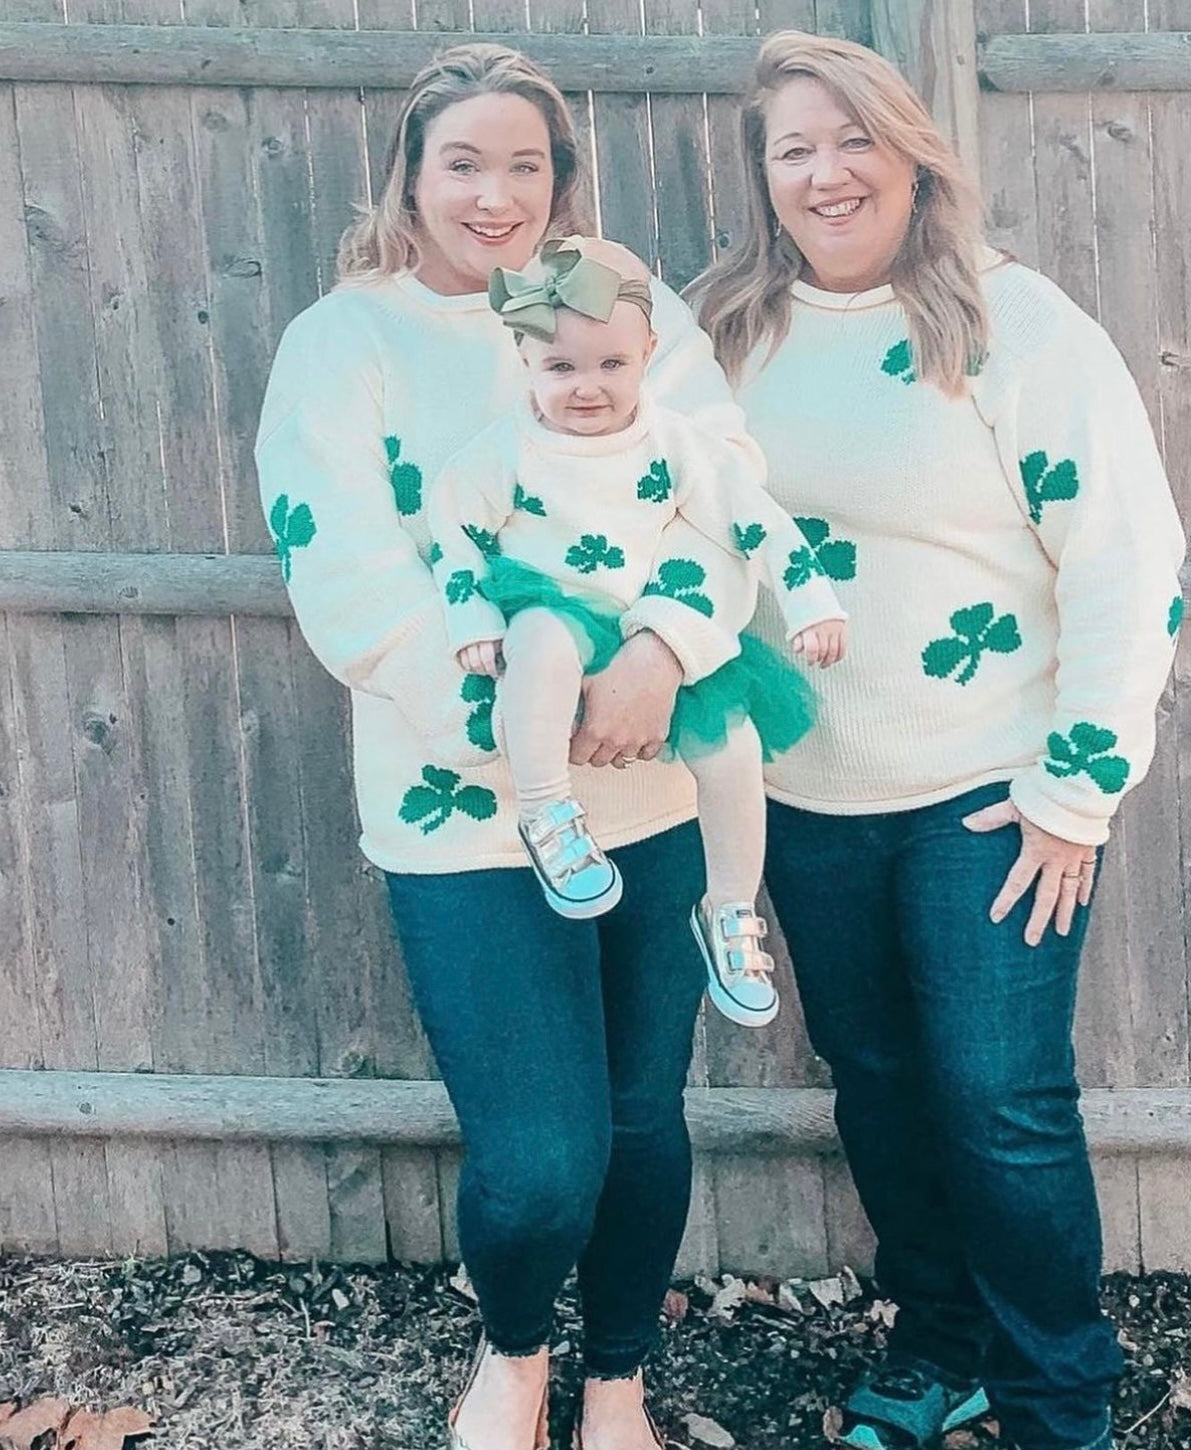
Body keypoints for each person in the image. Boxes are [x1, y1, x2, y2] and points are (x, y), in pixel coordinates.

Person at [255, 43, 763, 1450]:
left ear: (562, 177)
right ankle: (512, 1345)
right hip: (458, 808)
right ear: (409, 175)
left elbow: (725, 496)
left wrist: (659, 656)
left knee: (641, 1120)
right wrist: (522, 725)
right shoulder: (340, 343)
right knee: (542, 1160)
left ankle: (612, 1378)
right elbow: (346, 579)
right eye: (463, 163)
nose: (495, 195)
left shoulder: (627, 297)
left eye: (525, 165)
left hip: (655, 786)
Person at [689, 30, 1185, 1450]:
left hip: (988, 792)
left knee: (997, 1100)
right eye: (795, 148)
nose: (827, 172)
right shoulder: (719, 333)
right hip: (801, 792)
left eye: (854, 140)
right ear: (763, 177)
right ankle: (943, 1339)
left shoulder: (1010, 328)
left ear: (912, 154)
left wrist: (1074, 791)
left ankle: (1056, 1397)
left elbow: (1123, 559)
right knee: (880, 1085)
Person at [426, 236, 846, 1027]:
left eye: (610, 367)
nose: (587, 388)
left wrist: (813, 600)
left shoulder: (677, 444)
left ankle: (728, 912)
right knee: (541, 643)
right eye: (561, 370)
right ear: (524, 359)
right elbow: (455, 533)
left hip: (645, 624)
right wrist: (472, 618)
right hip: (555, 605)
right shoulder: (505, 451)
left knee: (734, 749)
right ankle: (548, 809)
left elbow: (756, 522)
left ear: (648, 353)